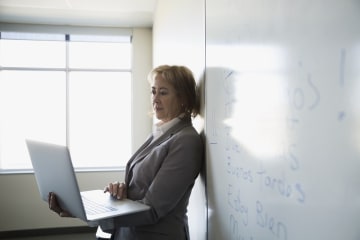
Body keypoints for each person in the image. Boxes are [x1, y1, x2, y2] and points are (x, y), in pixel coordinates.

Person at [48, 65, 204, 240]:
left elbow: (152, 209)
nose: (155, 99)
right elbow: (142, 187)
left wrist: (87, 213)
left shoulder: (186, 141)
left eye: (163, 92)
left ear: (183, 98)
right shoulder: (160, 133)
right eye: (153, 91)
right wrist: (121, 192)